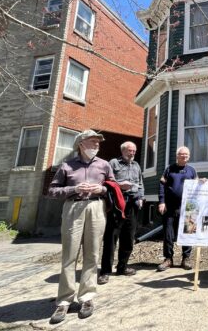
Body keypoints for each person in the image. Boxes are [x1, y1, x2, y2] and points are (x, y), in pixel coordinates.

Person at [47, 130, 114, 324]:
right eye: (93, 142)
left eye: (98, 143)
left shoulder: (104, 164)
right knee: (69, 255)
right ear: (81, 144)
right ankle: (64, 300)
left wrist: (102, 189)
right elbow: (52, 190)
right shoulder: (67, 165)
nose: (97, 145)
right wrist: (74, 189)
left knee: (92, 254)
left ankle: (87, 297)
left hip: (96, 207)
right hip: (73, 207)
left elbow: (112, 186)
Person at [98, 141, 144, 284]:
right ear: (123, 150)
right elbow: (105, 182)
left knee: (128, 237)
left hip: (132, 204)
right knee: (111, 238)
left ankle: (122, 267)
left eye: (134, 151)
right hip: (117, 205)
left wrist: (141, 197)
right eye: (130, 151)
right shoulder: (113, 163)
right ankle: (105, 271)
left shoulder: (136, 165)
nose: (132, 153)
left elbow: (141, 183)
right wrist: (120, 185)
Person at [157, 146, 197, 271]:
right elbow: (162, 186)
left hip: (189, 207)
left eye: (186, 155)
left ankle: (186, 259)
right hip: (170, 206)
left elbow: (197, 186)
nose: (184, 156)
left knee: (188, 232)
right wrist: (162, 202)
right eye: (182, 154)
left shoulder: (192, 170)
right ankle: (168, 259)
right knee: (168, 233)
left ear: (189, 156)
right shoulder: (169, 169)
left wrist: (203, 182)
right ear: (177, 156)